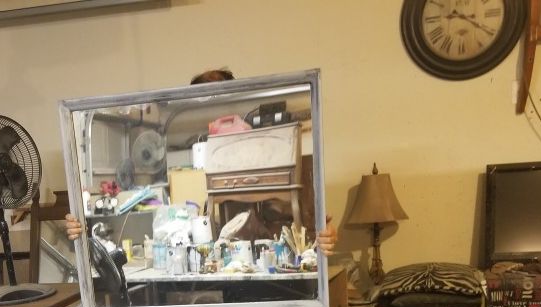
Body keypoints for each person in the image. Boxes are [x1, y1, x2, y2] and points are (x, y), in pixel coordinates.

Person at [65, 67, 339, 256]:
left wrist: (323, 237)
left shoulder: (263, 152)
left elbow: (305, 227)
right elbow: (158, 219)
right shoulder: (179, 164)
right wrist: (81, 227)